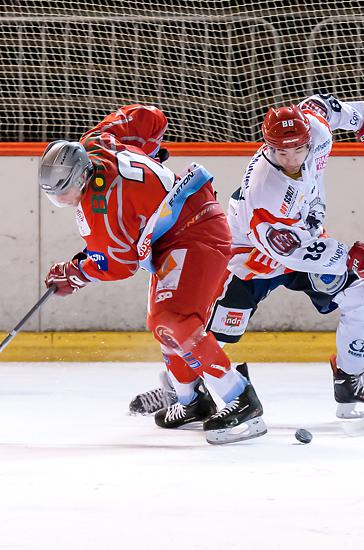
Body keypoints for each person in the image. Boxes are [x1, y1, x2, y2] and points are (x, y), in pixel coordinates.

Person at [129, 93, 364, 422]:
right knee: (203, 337)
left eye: (297, 149)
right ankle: (182, 390)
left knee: (363, 293)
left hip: (305, 241)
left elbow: (323, 106)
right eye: (280, 151)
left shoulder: (316, 130)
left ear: (308, 139)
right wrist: (352, 257)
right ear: (268, 147)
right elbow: (290, 252)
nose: (290, 158)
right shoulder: (264, 189)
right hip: (251, 259)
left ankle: (350, 381)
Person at [39, 104, 266, 445]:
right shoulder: (97, 140)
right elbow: (150, 117)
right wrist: (149, 151)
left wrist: (73, 274)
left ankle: (240, 397)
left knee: (175, 321)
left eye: (65, 191)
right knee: (161, 323)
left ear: (83, 176)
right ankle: (191, 401)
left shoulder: (101, 206)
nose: (64, 199)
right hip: (176, 234)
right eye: (55, 196)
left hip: (196, 232)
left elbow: (118, 264)